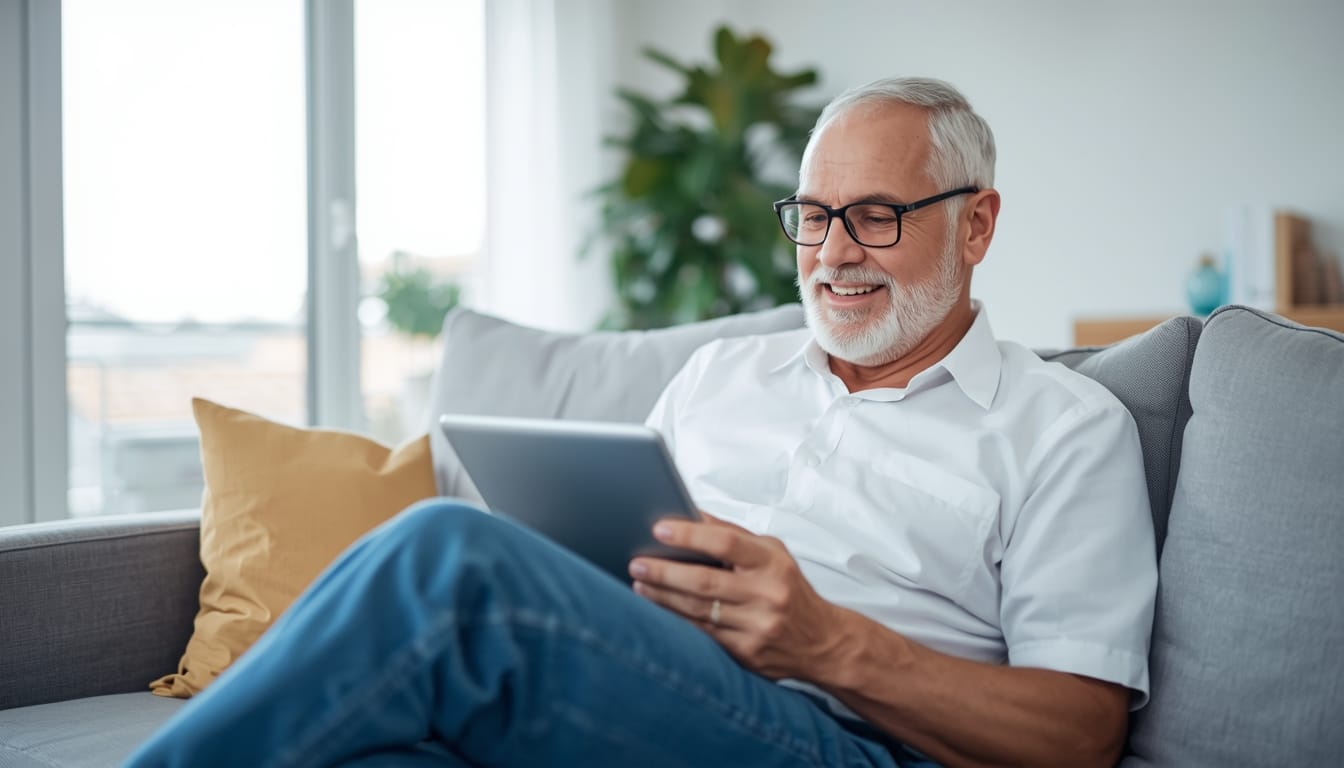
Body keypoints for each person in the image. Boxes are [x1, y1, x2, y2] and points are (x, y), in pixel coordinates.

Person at [127, 77, 1155, 768]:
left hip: (845, 739)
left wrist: (829, 644)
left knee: (445, 551)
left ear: (977, 224)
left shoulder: (1064, 429)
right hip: (640, 689)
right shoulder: (721, 376)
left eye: (876, 216)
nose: (834, 253)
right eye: (812, 217)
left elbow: (1083, 734)